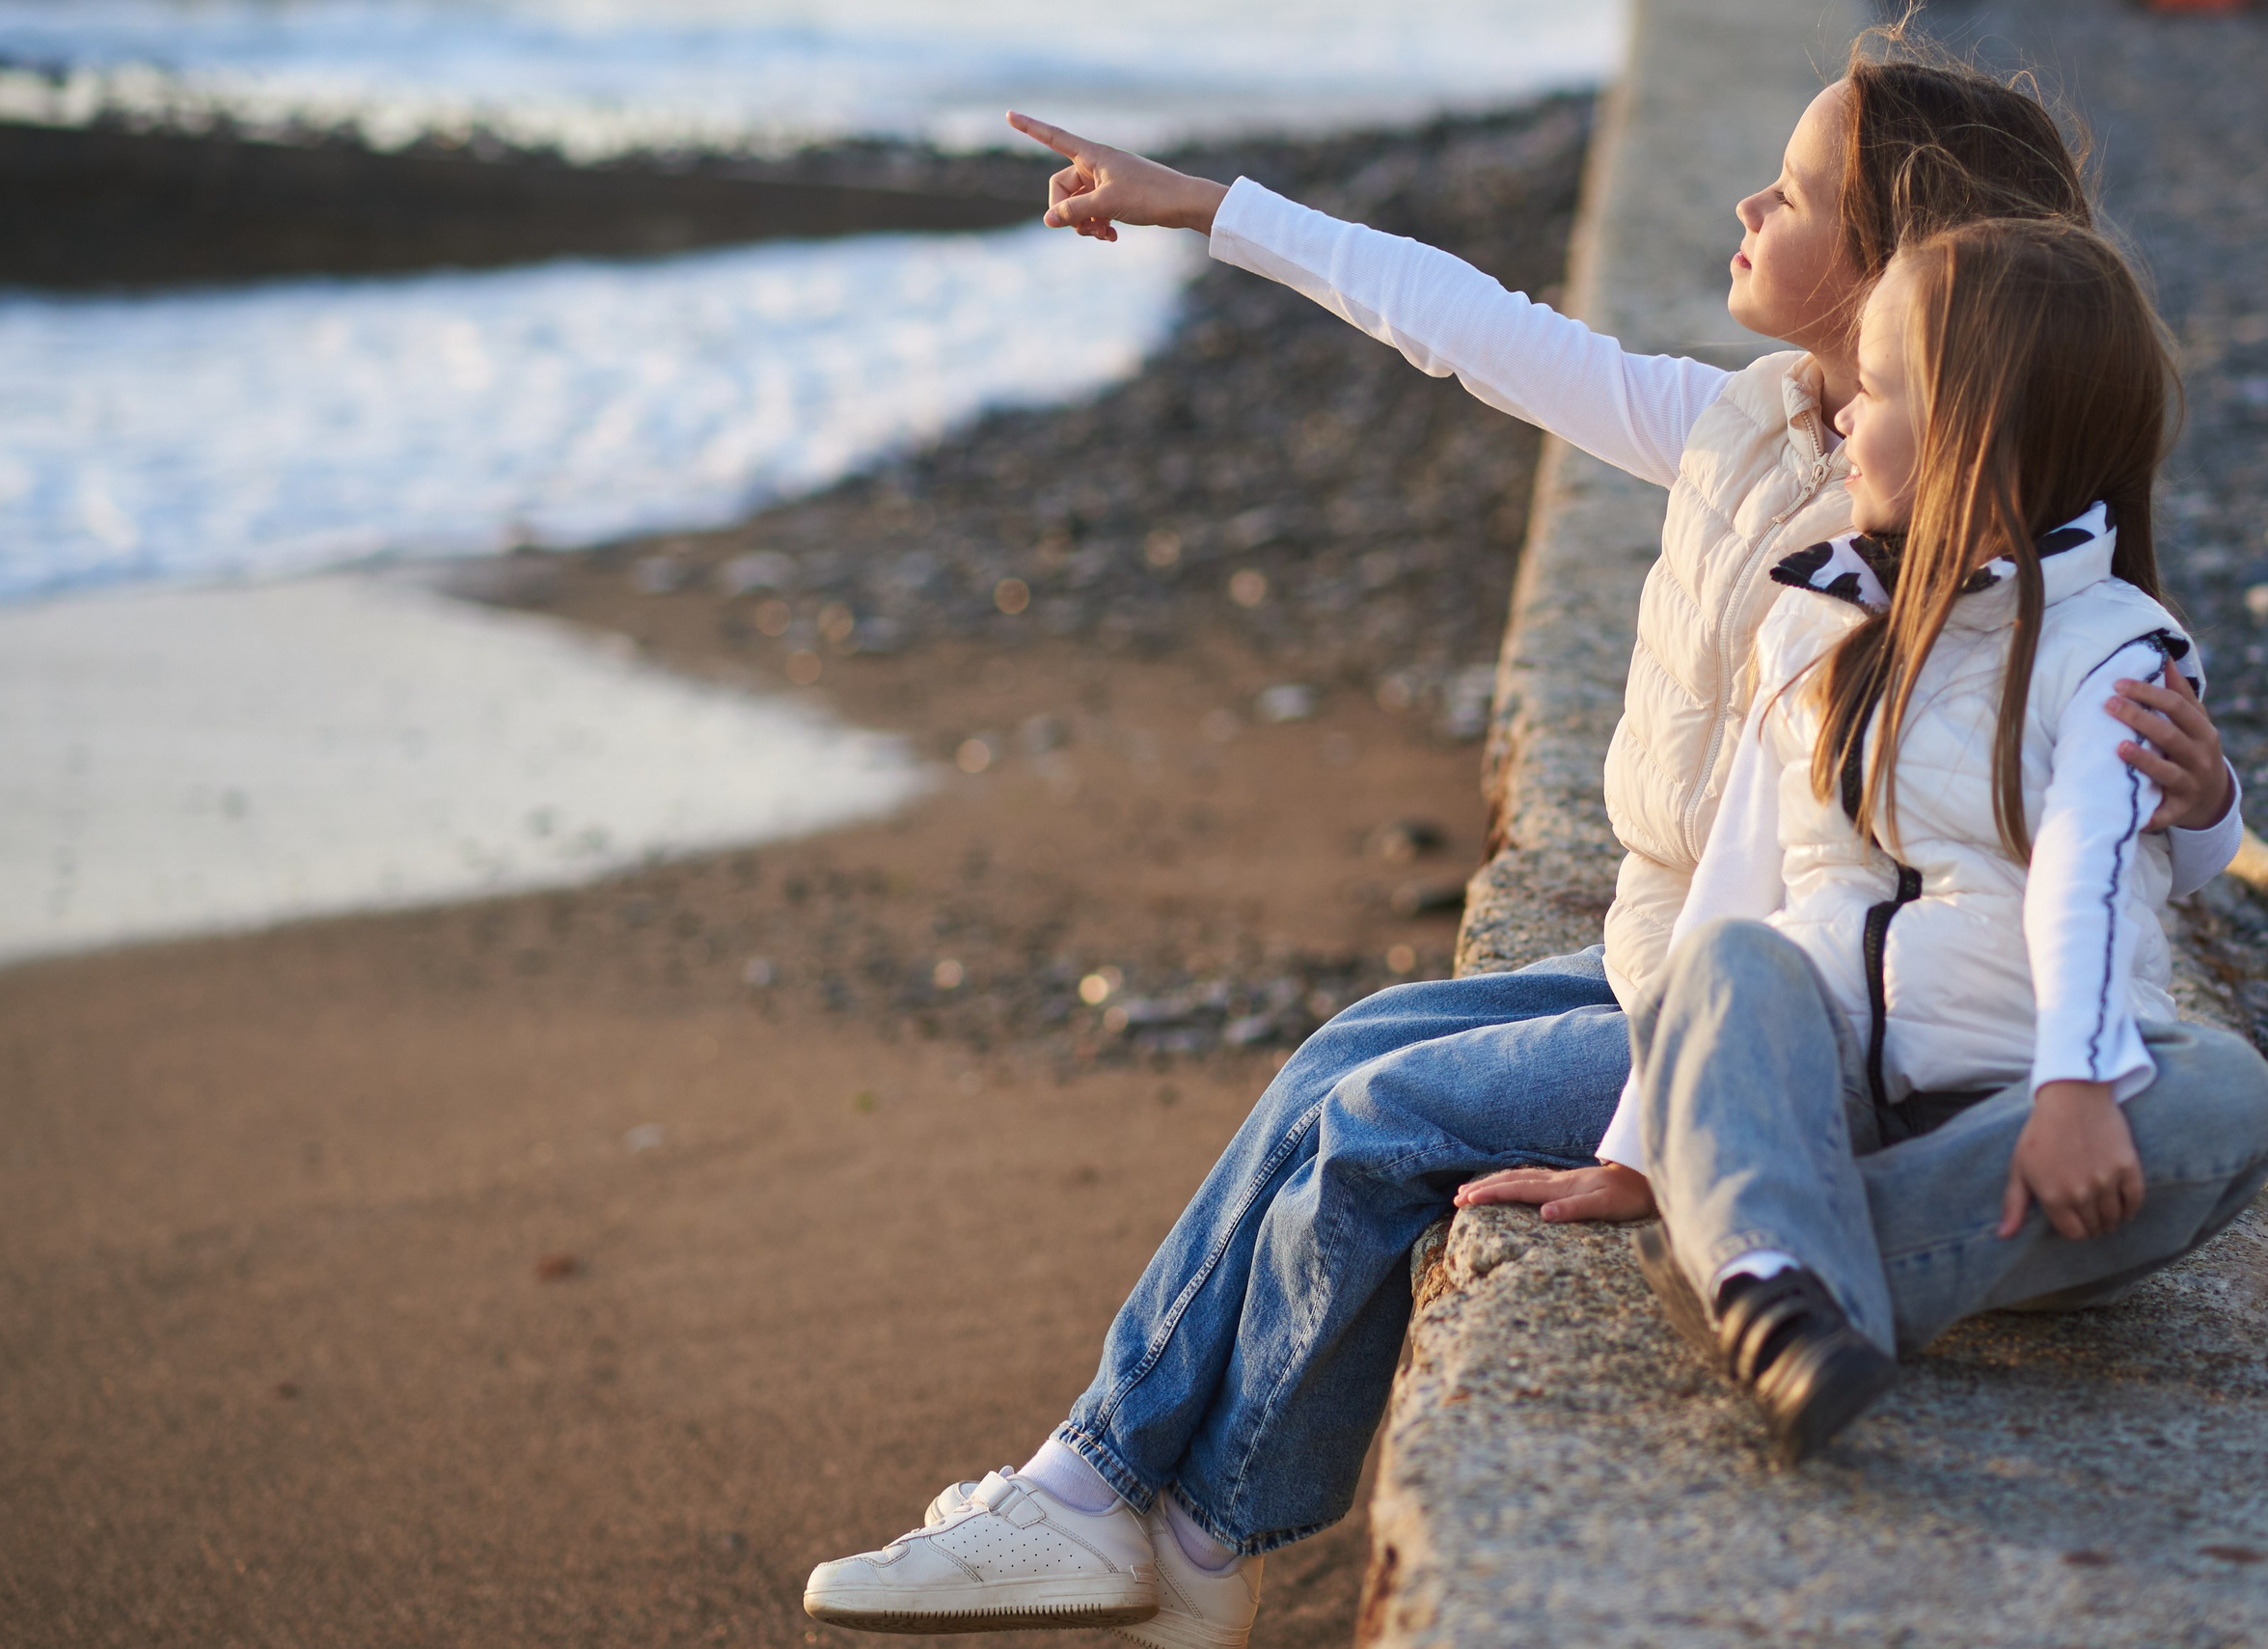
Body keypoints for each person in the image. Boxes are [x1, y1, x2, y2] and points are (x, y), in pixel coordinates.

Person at [803, 38, 2245, 1649]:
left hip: (1753, 1007)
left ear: (1904, 276)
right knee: (1340, 1050)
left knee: (1381, 1115)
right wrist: (1211, 208)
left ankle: (1163, 1517)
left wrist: (1653, 1135)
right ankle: (1127, 1508)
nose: (1752, 202)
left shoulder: (1910, 552)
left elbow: (2060, 854)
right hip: (1668, 948)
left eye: (1803, 192)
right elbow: (1475, 330)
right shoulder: (1757, 430)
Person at [1608, 216, 2268, 1465]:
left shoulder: (2118, 646)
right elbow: (1735, 881)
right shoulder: (1820, 622)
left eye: (1881, 388)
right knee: (1729, 963)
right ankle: (1765, 1256)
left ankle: (1761, 1268)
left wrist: (2075, 1087)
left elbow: (2093, 865)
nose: (1844, 415)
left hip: (2033, 1129)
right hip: (1836, 1089)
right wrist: (1644, 1141)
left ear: (1981, 434)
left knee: (2228, 1090)